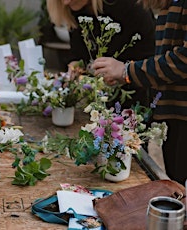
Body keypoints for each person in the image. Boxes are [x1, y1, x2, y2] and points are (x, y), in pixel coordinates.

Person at [92, 0, 187, 185]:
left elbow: (183, 59)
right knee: (176, 187)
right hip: (175, 115)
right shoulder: (170, 6)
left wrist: (126, 71)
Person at [46, 0, 156, 108]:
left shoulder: (130, 6)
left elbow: (153, 61)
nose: (65, 2)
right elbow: (78, 53)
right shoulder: (75, 9)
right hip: (102, 102)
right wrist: (76, 65)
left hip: (140, 102)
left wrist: (125, 72)